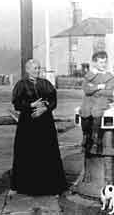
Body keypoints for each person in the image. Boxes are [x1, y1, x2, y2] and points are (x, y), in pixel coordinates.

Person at [10, 59, 67, 196]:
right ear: (27, 70)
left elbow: (54, 100)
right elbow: (17, 104)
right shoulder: (21, 85)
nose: (37, 70)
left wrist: (45, 108)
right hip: (28, 125)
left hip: (45, 124)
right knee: (28, 153)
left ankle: (50, 186)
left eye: (38, 68)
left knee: (47, 152)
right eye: (34, 68)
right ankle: (27, 186)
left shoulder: (46, 83)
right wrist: (31, 105)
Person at [79, 51, 114, 153]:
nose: (103, 65)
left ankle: (96, 138)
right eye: (101, 62)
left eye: (105, 62)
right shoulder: (90, 75)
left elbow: (108, 91)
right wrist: (98, 87)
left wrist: (93, 89)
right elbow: (86, 89)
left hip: (103, 99)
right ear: (94, 63)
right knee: (85, 109)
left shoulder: (109, 76)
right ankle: (86, 136)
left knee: (96, 110)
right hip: (89, 99)